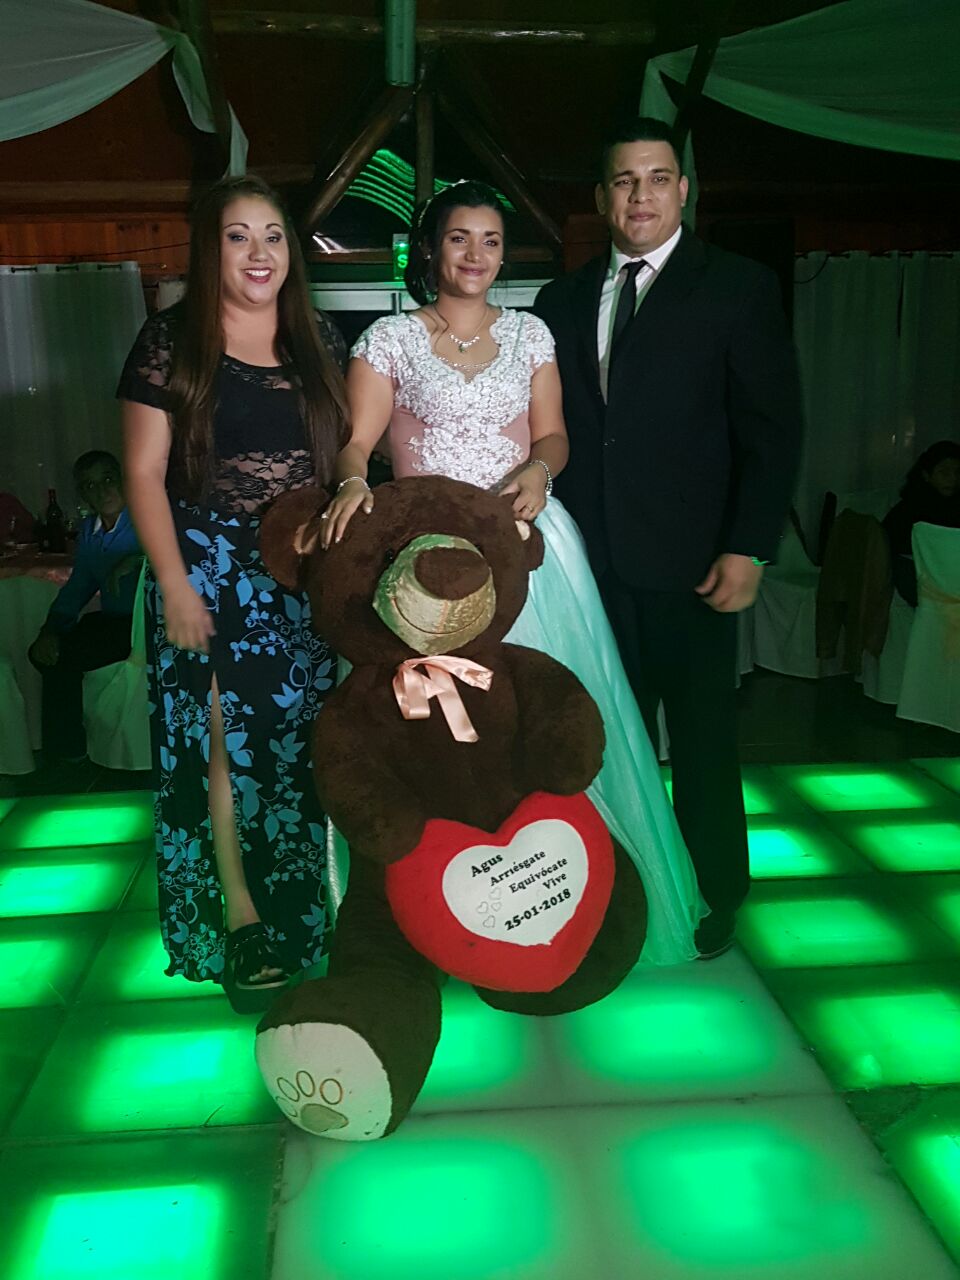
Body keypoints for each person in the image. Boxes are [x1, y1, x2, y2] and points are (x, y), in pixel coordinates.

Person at [320, 179, 704, 968]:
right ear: (432, 250)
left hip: (525, 545)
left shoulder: (531, 334)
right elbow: (356, 442)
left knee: (537, 718)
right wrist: (354, 480)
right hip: (426, 555)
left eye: (491, 241)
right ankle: (443, 927)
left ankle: (565, 908)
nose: (476, 254)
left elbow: (553, 436)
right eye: (460, 238)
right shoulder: (389, 339)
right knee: (433, 731)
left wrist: (538, 469)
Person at [534, 118, 803, 958]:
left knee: (701, 737)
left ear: (682, 190)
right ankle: (612, 892)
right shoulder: (559, 301)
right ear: (601, 197)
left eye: (657, 178)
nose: (640, 194)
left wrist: (749, 546)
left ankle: (714, 890)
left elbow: (772, 429)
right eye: (624, 180)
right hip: (589, 565)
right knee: (596, 739)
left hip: (695, 564)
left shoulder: (738, 287)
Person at [118, 174, 349, 1010]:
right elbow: (142, 472)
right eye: (238, 235)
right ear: (209, 248)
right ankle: (240, 917)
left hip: (299, 578)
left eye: (274, 235)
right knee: (222, 744)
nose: (259, 253)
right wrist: (174, 585)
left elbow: (345, 459)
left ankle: (303, 916)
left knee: (293, 751)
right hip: (204, 569)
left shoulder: (320, 338)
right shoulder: (170, 339)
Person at [28, 450, 142, 763]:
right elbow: (77, 589)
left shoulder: (146, 518)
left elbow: (180, 555)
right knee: (45, 652)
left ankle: (65, 753)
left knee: (68, 654)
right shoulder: (91, 532)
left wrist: (137, 559)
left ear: (122, 480)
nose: (102, 491)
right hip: (114, 622)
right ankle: (67, 749)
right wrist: (50, 629)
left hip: (147, 626)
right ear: (83, 494)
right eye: (91, 485)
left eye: (108, 479)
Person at [883, 440, 960, 605]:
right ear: (926, 475)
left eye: (957, 472)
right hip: (920, 577)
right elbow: (891, 545)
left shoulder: (955, 504)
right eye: (944, 472)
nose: (953, 479)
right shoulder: (910, 507)